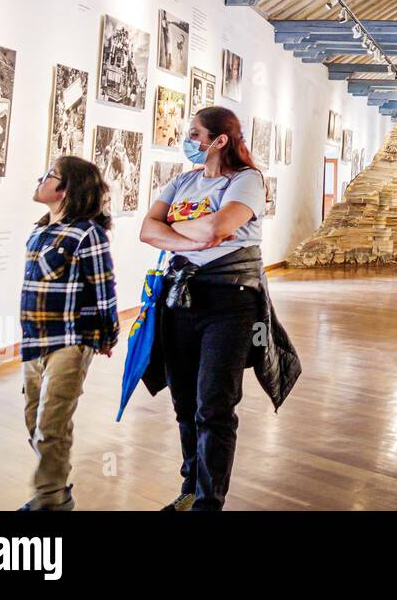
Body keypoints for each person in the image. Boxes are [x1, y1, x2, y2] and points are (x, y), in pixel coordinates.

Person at [139, 106, 300, 511]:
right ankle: (190, 487)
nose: (189, 141)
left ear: (219, 139)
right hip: (179, 299)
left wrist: (173, 233)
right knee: (184, 402)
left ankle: (209, 503)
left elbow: (218, 228)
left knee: (214, 403)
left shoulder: (246, 180)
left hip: (230, 301)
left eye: (194, 134)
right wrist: (193, 237)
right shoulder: (182, 181)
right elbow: (146, 230)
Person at [19, 156, 119, 511]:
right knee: (34, 420)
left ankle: (51, 499)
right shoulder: (39, 229)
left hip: (70, 341)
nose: (42, 179)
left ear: (66, 189)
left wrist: (106, 336)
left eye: (50, 175)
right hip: (33, 340)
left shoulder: (87, 233)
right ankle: (56, 491)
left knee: (51, 423)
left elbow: (103, 288)